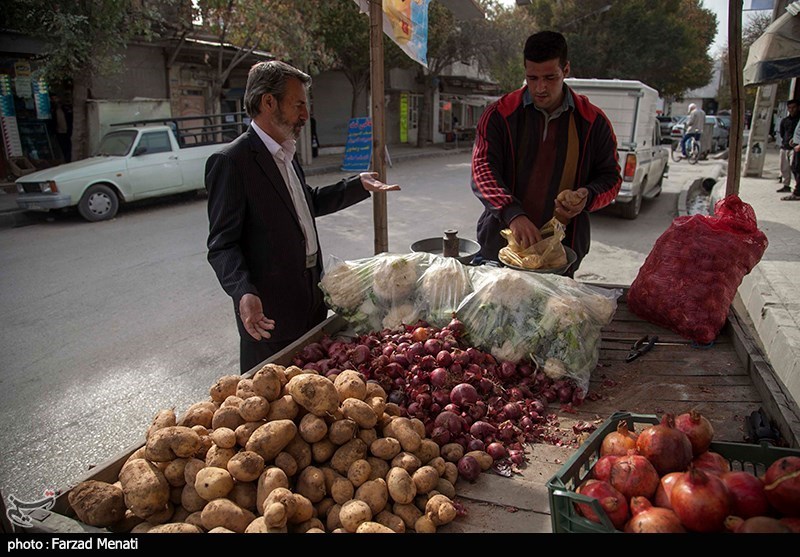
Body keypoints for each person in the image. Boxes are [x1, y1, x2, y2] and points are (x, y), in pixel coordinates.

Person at [205, 60, 400, 373]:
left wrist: (357, 186)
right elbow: (222, 244)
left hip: (310, 300)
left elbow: (305, 204)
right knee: (272, 404)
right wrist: (243, 291)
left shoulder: (285, 152)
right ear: (269, 102)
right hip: (270, 316)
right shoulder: (232, 162)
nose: (305, 115)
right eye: (298, 104)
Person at [470, 30, 621, 276]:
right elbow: (482, 170)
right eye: (532, 78)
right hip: (500, 247)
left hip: (563, 251)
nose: (540, 88)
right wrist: (513, 214)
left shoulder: (593, 121)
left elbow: (611, 179)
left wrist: (587, 195)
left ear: (566, 70)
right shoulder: (499, 115)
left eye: (550, 77)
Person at [777, 99, 799, 194]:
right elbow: (782, 133)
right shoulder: (785, 121)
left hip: (795, 148)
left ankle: (797, 187)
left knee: (795, 167)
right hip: (785, 146)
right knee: (784, 168)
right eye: (790, 108)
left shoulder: (798, 120)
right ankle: (786, 185)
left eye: (794, 107)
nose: (792, 109)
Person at [783, 118, 800, 201]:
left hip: (798, 148)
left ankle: (797, 192)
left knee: (798, 169)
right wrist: (795, 139)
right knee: (795, 167)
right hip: (796, 145)